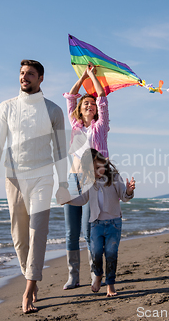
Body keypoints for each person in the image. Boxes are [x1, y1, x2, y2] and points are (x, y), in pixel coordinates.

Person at [0, 59, 69, 314]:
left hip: (43, 178)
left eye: (30, 73)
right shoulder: (6, 107)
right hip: (14, 179)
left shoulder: (53, 110)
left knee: (37, 232)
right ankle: (30, 275)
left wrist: (63, 184)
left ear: (41, 78)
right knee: (20, 239)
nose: (24, 77)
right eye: (21, 73)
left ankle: (29, 288)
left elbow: (61, 151)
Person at [62, 63, 109, 290]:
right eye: (85, 104)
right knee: (71, 231)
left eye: (92, 104)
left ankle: (94, 273)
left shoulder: (101, 127)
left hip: (96, 182)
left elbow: (102, 96)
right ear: (80, 110)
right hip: (73, 179)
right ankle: (73, 276)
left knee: (89, 230)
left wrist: (92, 74)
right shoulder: (75, 126)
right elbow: (71, 96)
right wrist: (82, 77)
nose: (90, 105)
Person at [66, 149, 135, 297]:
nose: (97, 172)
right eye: (92, 170)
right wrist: (68, 200)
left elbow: (124, 197)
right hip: (96, 224)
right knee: (95, 253)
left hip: (114, 224)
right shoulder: (89, 182)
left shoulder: (115, 178)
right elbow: (83, 199)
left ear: (104, 162)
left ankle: (110, 285)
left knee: (111, 254)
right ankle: (97, 275)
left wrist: (129, 191)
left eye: (98, 167)